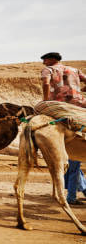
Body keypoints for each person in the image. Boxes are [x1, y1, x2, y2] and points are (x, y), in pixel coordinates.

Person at [40, 52, 86, 205]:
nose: (44, 63)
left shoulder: (49, 70)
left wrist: (46, 101)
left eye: (45, 60)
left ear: (52, 60)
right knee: (74, 161)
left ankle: (71, 196)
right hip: (80, 106)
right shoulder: (74, 70)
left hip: (61, 107)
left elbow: (46, 83)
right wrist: (78, 92)